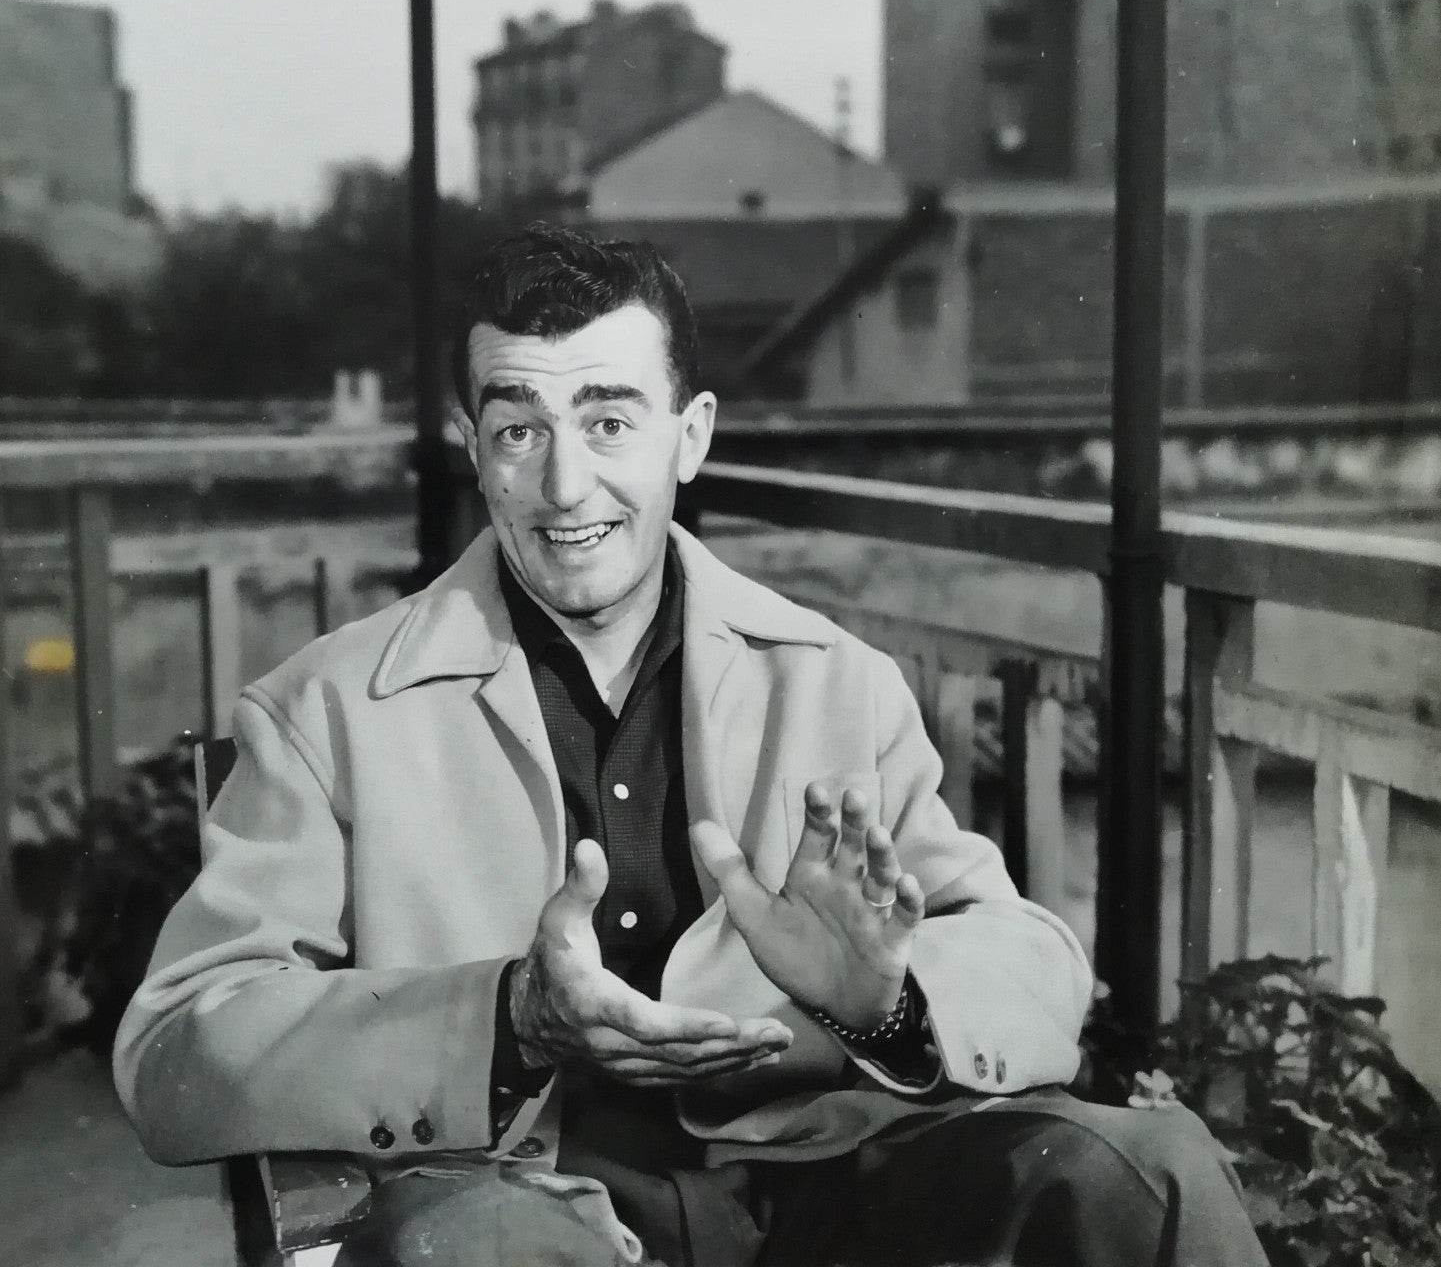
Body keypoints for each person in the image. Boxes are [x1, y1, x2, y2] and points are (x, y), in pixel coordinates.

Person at [114, 226, 1266, 1267]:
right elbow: (177, 1046)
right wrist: (505, 1016)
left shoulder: (837, 679)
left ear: (690, 436)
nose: (566, 485)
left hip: (829, 1189)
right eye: (520, 427)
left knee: (1144, 1177)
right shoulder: (326, 710)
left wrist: (885, 1002)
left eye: (610, 421)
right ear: (474, 449)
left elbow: (1032, 966)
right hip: (516, 1200)